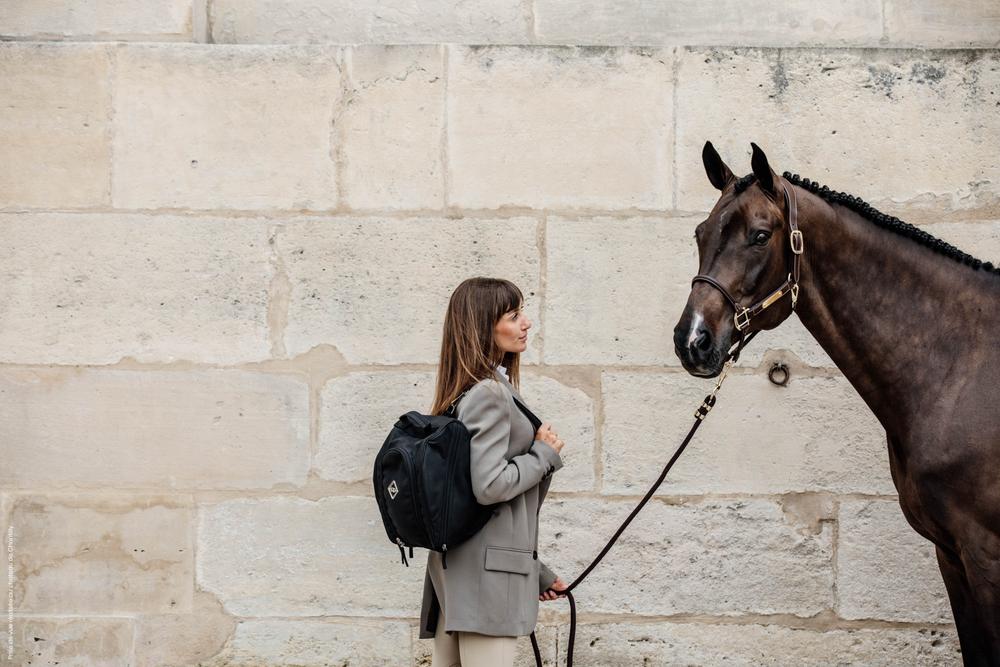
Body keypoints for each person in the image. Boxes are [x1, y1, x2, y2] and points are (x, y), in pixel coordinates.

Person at [418, 276, 569, 667]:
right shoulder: (487, 393)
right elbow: (488, 487)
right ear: (483, 325)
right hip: (485, 585)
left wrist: (536, 573)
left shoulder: (467, 390)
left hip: (463, 573)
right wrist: (543, 454)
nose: (526, 323)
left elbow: (478, 509)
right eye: (514, 315)